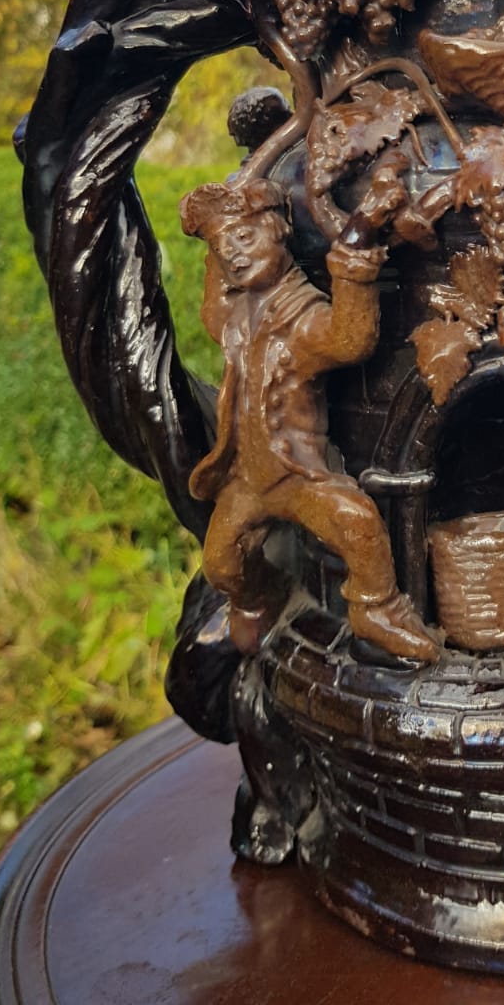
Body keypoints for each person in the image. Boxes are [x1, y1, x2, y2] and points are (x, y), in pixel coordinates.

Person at [179, 162, 439, 661]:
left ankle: (376, 610)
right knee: (222, 564)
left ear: (280, 232)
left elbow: (350, 338)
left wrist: (357, 245)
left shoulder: (300, 322)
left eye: (245, 237)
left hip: (297, 477)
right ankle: (263, 595)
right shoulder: (237, 318)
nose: (234, 254)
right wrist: (213, 238)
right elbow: (213, 309)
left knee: (357, 522)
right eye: (223, 249)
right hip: (247, 481)